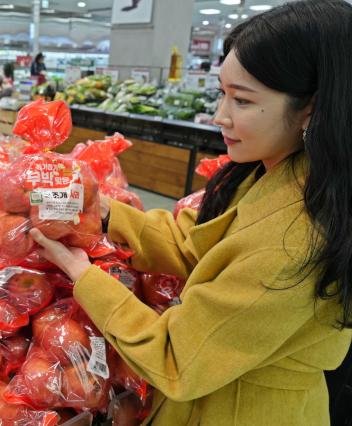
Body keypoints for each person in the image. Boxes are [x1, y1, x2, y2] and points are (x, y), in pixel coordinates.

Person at [30, 1, 352, 424]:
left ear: (310, 110)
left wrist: (82, 274)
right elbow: (195, 244)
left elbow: (176, 357)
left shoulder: (295, 239)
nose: (220, 116)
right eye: (222, 93)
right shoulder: (278, 173)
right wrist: (104, 211)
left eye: (241, 100)